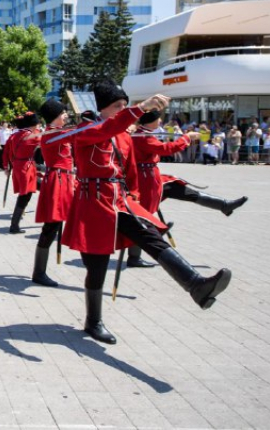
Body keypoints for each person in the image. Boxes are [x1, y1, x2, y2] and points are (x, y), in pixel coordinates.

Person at [61, 80, 232, 345]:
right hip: (93, 204)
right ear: (103, 109)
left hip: (119, 201)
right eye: (117, 106)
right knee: (96, 267)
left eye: (124, 105)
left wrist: (134, 200)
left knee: (151, 235)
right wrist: (141, 108)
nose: (123, 110)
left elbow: (130, 173)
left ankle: (195, 284)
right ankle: (93, 321)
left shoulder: (125, 135)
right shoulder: (87, 128)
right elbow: (107, 128)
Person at [130, 110, 200, 268]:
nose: (161, 121)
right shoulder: (143, 136)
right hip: (144, 177)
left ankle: (149, 237)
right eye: (158, 118)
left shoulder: (144, 133)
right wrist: (186, 138)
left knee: (144, 213)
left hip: (148, 174)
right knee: (142, 215)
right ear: (151, 121)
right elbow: (166, 149)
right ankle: (137, 253)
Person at [32, 99, 74, 287]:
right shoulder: (51, 135)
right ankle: (39, 272)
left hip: (65, 180)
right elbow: (77, 134)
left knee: (54, 226)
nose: (66, 115)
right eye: (62, 113)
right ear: (54, 116)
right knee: (50, 227)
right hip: (57, 181)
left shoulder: (58, 132)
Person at [2, 112, 41, 234]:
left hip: (18, 167)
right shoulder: (33, 135)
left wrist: (6, 167)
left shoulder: (14, 136)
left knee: (31, 193)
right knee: (25, 196)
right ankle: (14, 225)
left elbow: (6, 153)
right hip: (26, 169)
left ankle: (15, 224)